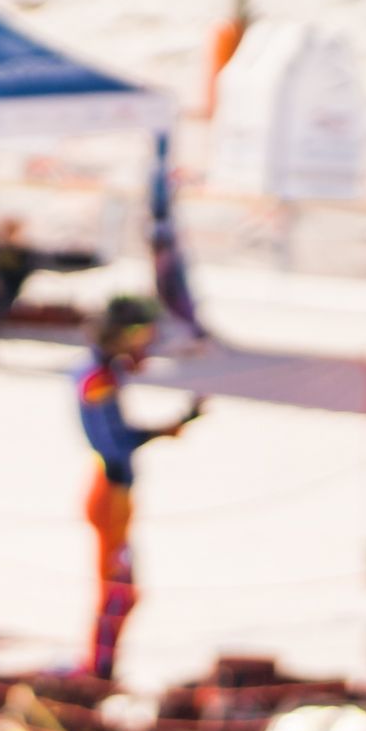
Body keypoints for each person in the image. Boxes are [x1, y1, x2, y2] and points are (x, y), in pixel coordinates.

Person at [75, 292, 203, 682]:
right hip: (110, 497)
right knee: (119, 592)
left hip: (117, 496)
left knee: (123, 590)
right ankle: (99, 669)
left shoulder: (106, 374)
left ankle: (103, 667)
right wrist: (164, 429)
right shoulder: (98, 380)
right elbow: (115, 443)